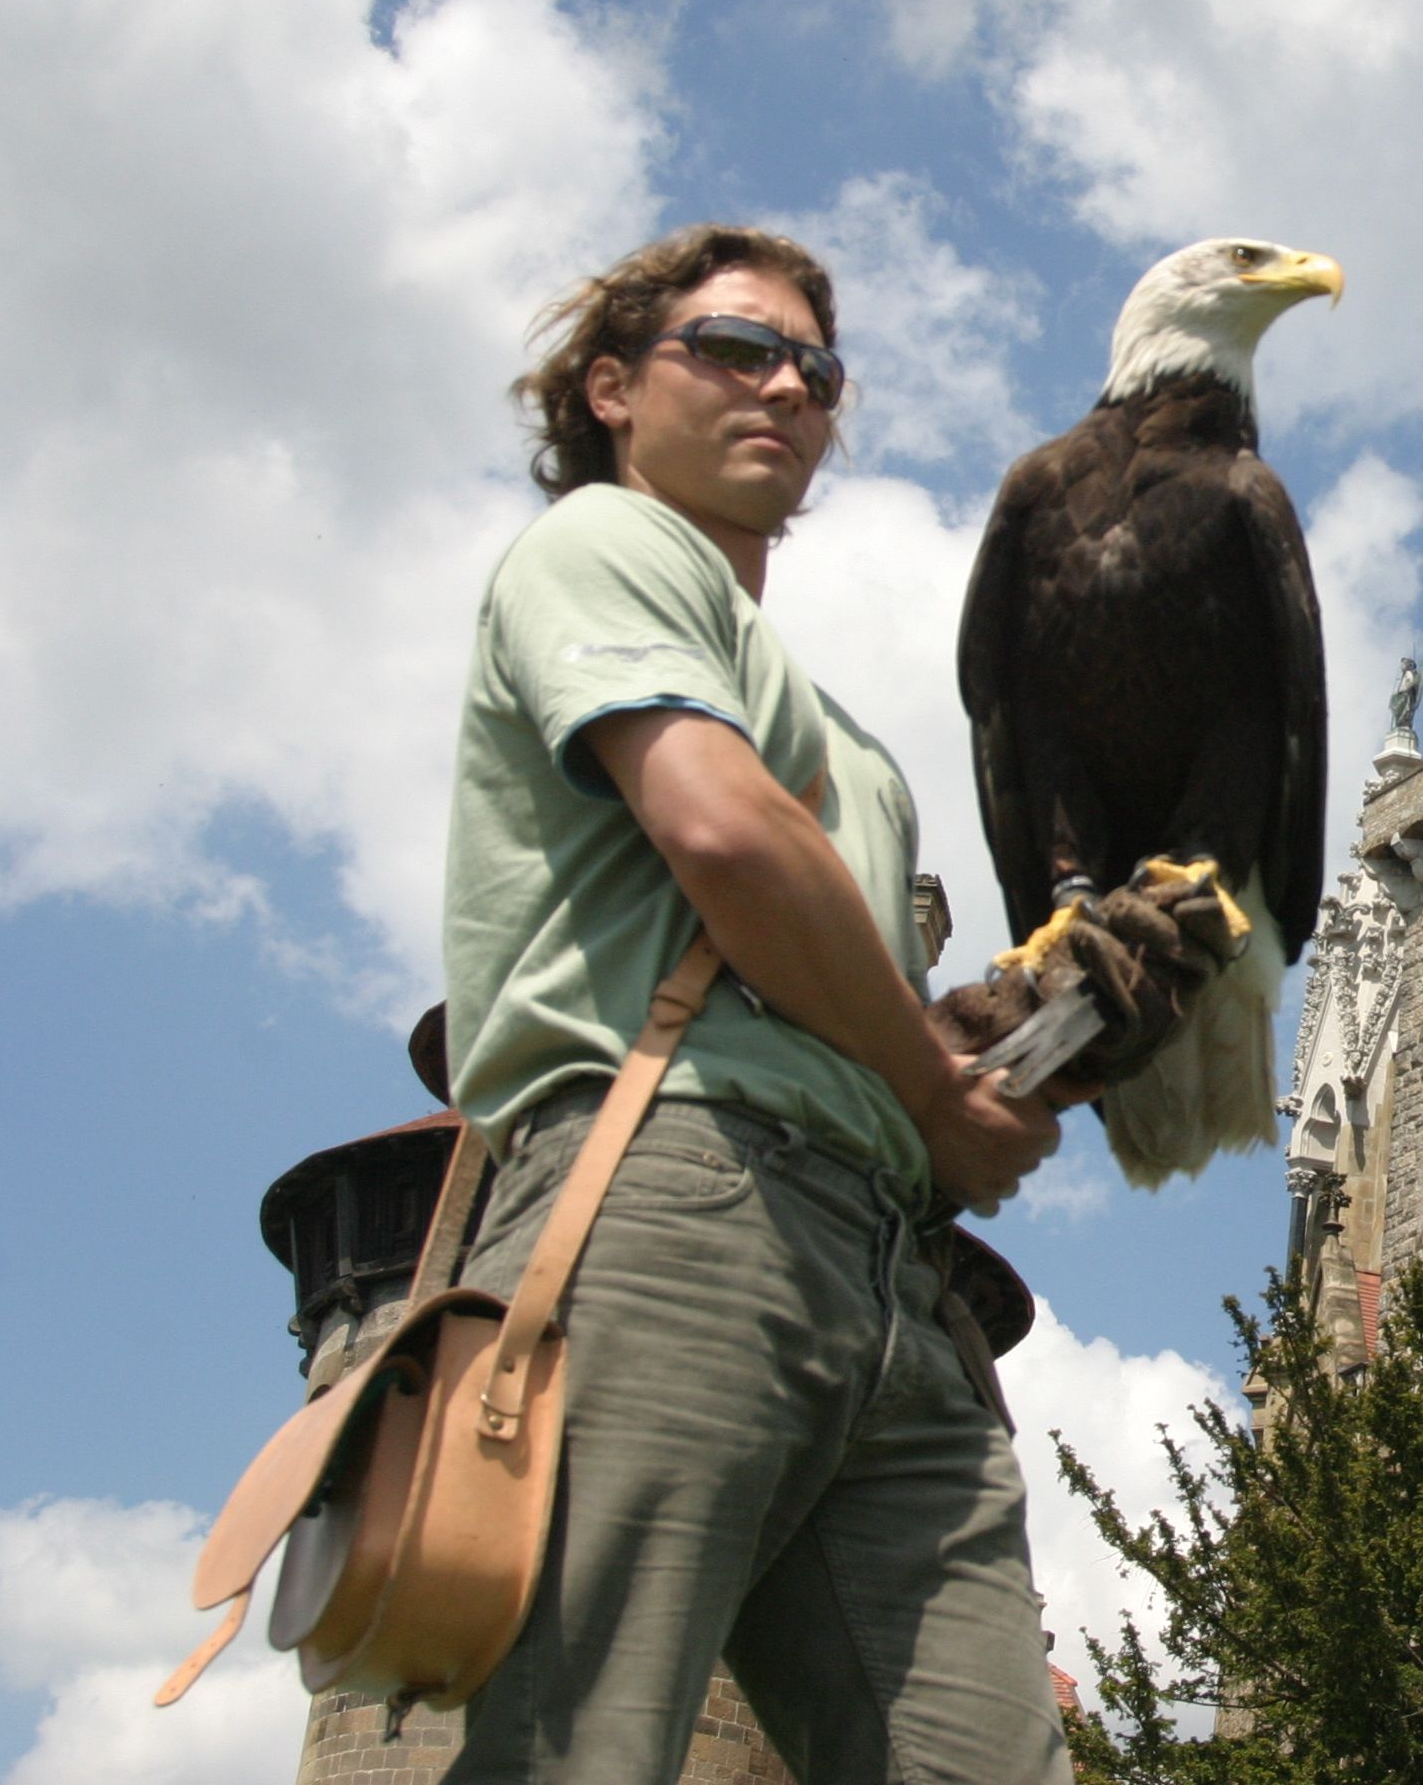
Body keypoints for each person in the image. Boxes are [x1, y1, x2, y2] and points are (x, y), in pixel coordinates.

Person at [439, 224, 1075, 1783]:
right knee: (578, 1752)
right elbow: (723, 834)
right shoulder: (599, 546)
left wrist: (1005, 1030)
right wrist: (931, 1095)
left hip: (888, 1275)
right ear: (611, 389)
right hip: (681, 1186)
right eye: (733, 348)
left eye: (817, 370)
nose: (787, 386)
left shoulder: (844, 734)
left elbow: (835, 982)